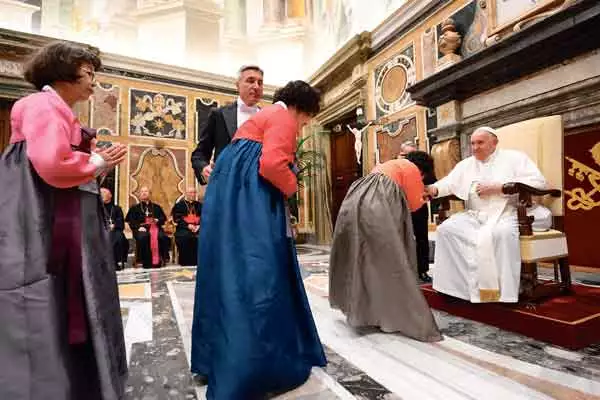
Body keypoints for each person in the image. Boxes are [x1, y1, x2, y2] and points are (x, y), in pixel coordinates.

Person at [0, 41, 128, 400]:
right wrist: (98, 163)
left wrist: (93, 163)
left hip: (54, 211)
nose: (93, 82)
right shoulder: (42, 105)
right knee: (48, 292)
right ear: (63, 72)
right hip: (43, 218)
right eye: (88, 73)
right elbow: (53, 164)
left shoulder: (54, 109)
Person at [191, 81, 326, 399]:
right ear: (300, 108)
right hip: (251, 203)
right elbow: (271, 165)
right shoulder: (282, 117)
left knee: (229, 272)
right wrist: (293, 188)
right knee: (260, 273)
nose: (303, 125)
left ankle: (217, 359)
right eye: (306, 119)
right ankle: (256, 365)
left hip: (230, 201)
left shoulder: (257, 121)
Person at [426, 127, 551, 303]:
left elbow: (539, 182)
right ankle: (458, 288)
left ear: (494, 143)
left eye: (480, 143)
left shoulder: (515, 158)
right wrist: (434, 189)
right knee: (446, 229)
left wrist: (499, 187)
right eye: (472, 143)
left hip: (509, 212)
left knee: (501, 233)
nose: (475, 147)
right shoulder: (467, 164)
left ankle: (504, 292)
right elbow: (449, 183)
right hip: (476, 215)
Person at [329, 152, 442, 342]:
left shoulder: (387, 165)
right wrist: (424, 197)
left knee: (362, 258)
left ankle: (365, 311)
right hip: (378, 209)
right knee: (388, 261)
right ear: (423, 171)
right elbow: (414, 204)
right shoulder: (412, 169)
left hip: (354, 201)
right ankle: (393, 315)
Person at [191, 65, 264, 184]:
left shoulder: (268, 118)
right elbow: (199, 154)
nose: (256, 86)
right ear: (238, 85)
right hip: (225, 189)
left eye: (260, 83)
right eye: (250, 81)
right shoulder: (219, 114)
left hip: (259, 190)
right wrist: (204, 169)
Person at [402, 149, 436, 282]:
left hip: (420, 206)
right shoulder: (403, 170)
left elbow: (433, 185)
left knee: (422, 238)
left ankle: (422, 270)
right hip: (403, 207)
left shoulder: (427, 169)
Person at [125, 186, 170, 268]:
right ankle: (144, 261)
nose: (144, 193)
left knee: (162, 236)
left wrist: (157, 220)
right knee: (144, 236)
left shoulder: (156, 207)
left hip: (155, 227)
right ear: (139, 194)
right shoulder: (134, 208)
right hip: (141, 228)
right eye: (142, 192)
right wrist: (138, 227)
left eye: (146, 191)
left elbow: (163, 218)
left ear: (150, 194)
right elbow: (130, 220)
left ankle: (161, 259)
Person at [171, 186, 202, 266]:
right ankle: (186, 262)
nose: (192, 194)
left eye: (194, 192)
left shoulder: (200, 205)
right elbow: (176, 219)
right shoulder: (178, 205)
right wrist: (188, 226)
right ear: (186, 194)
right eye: (190, 193)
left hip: (198, 228)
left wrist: (199, 226)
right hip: (183, 228)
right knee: (186, 237)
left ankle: (200, 261)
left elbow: (205, 217)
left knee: (206, 236)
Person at [101, 187, 129, 270]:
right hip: (101, 231)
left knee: (119, 238)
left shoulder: (117, 209)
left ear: (110, 195)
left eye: (104, 193)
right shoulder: (97, 209)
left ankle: (115, 262)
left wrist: (114, 225)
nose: (102, 195)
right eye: (101, 193)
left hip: (115, 230)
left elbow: (121, 222)